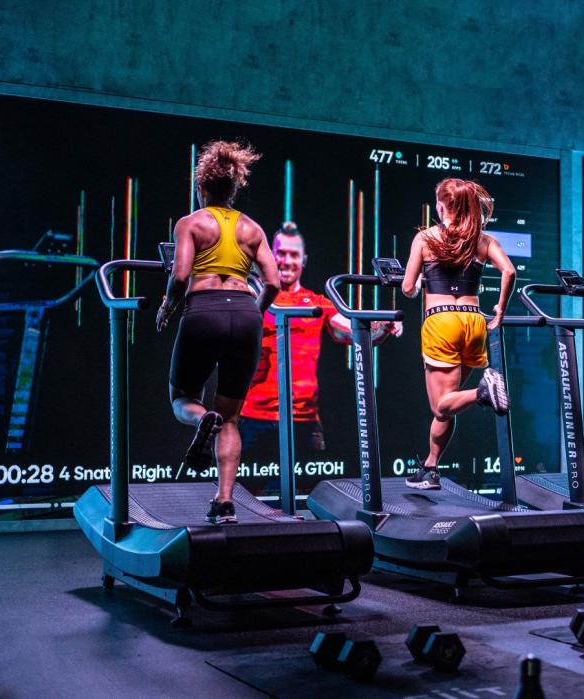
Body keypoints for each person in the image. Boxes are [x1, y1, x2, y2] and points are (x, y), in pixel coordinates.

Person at [155, 140, 279, 524]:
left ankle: (199, 419)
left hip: (203, 311)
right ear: (234, 188)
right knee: (232, 417)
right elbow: (272, 283)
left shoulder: (190, 223)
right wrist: (252, 316)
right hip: (245, 314)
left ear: (201, 188)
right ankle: (225, 501)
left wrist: (166, 306)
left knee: (183, 397)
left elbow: (179, 275)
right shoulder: (252, 227)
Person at [239, 222, 400, 484]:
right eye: (281, 253)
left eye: (293, 255)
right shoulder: (252, 294)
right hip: (253, 417)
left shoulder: (316, 302)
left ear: (303, 260)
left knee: (307, 496)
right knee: (244, 496)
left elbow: (350, 330)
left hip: (303, 421)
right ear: (270, 255)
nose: (286, 261)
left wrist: (382, 325)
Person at [399, 178, 515, 490]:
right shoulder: (481, 240)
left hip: (441, 323)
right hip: (474, 322)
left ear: (440, 205)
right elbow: (509, 271)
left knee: (440, 405)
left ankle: (483, 392)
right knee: (448, 407)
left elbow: (408, 289)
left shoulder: (426, 238)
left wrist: (421, 281)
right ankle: (431, 467)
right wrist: (500, 310)